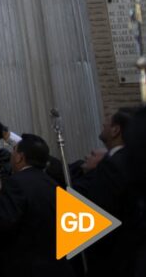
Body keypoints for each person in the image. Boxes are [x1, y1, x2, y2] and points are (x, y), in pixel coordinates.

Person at [0, 133, 74, 277]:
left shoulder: (17, 182)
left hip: (28, 268)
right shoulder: (52, 183)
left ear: (19, 157)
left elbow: (0, 225)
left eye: (14, 151)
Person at [74, 108, 141, 277]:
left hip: (115, 257)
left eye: (107, 121)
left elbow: (102, 210)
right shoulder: (127, 161)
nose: (103, 123)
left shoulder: (115, 165)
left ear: (115, 129)